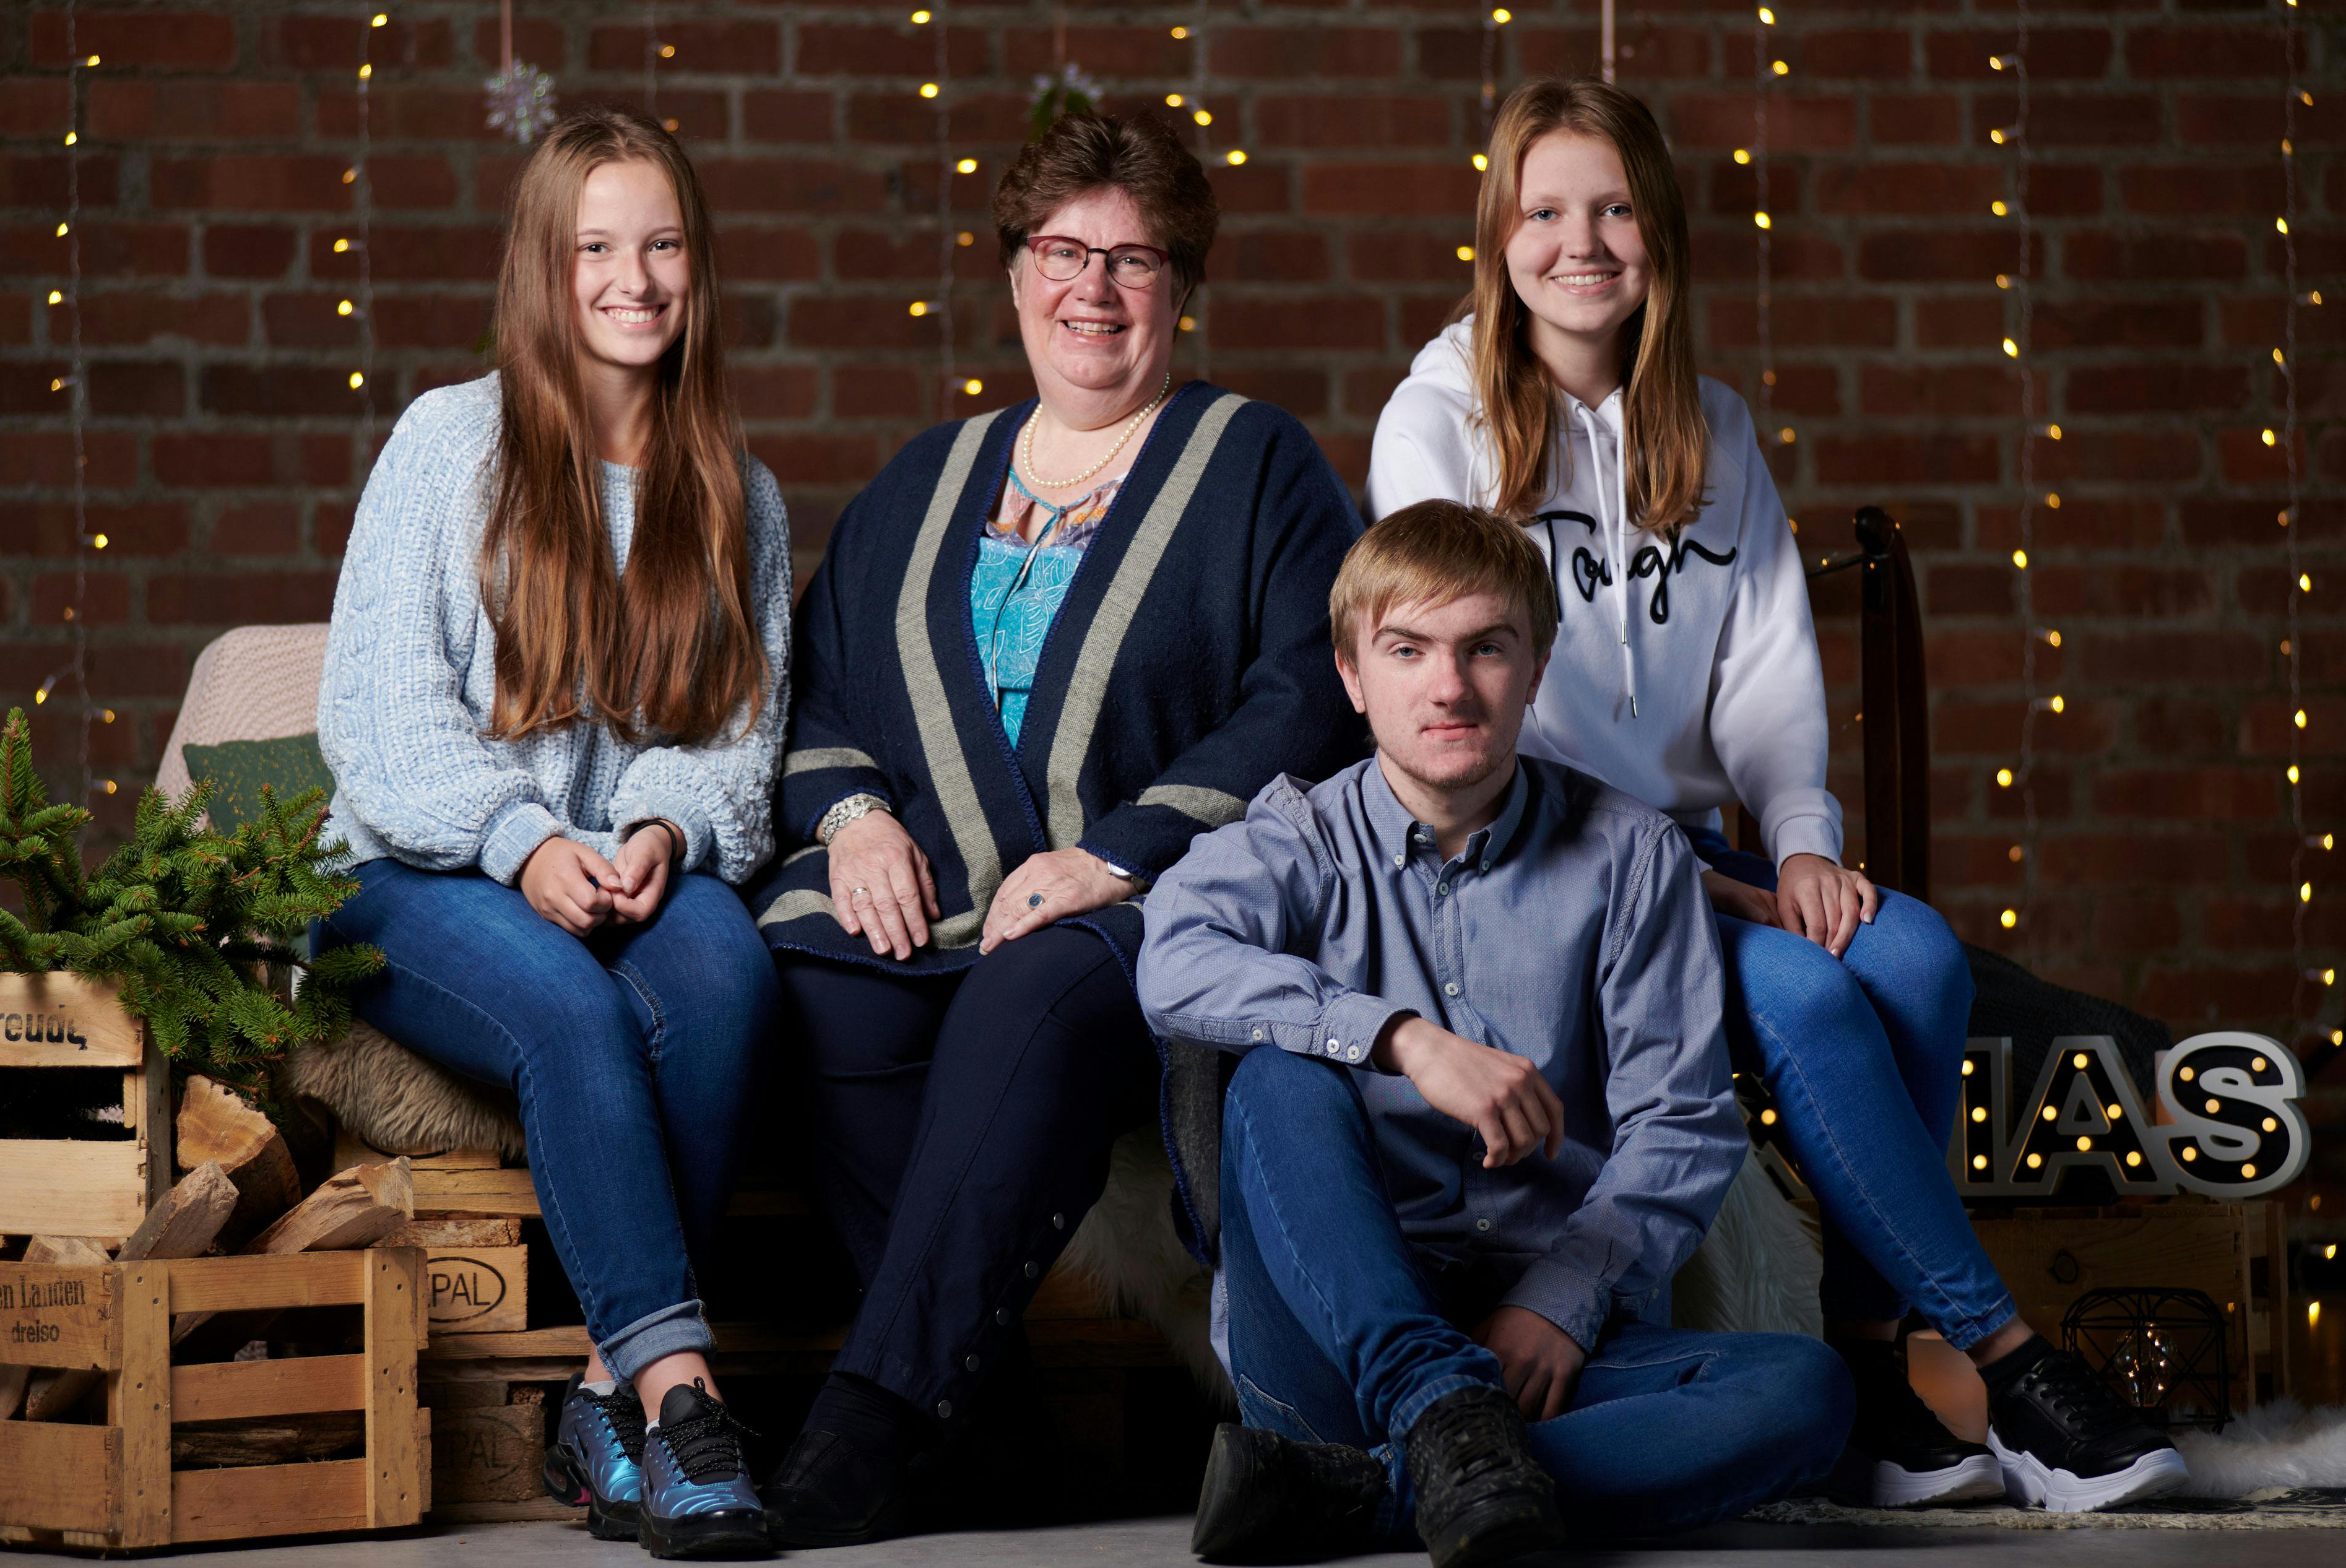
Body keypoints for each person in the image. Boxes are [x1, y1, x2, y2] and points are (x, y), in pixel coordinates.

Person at [1364, 77, 2186, 1514]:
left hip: (1699, 846)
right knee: (1805, 996)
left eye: (1615, 209)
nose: (1580, 243)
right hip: (1536, 857)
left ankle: (1869, 1380)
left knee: (1912, 956)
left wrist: (1797, 841)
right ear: (1496, 234)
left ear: (1661, 234)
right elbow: (1463, 713)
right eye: (1544, 211)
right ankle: (2012, 1370)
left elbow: (1762, 675)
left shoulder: (1712, 430)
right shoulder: (1436, 423)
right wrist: (1704, 884)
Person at [750, 111, 1367, 1547]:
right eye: (1063, 250)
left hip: (1154, 901)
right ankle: (994, 1435)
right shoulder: (926, 479)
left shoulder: (1257, 463)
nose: (1094, 287)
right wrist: (852, 819)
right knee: (821, 984)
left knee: (1032, 983)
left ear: (1181, 284)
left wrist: (1115, 852)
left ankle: (872, 1421)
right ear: (1015, 271)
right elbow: (818, 685)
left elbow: (1308, 694)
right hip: (938, 893)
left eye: (1134, 259)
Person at [1138, 502, 1853, 1568]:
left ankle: (1364, 1493)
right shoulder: (1298, 834)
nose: (1449, 686)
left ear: (1536, 667)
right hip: (1336, 1346)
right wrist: (1402, 1039)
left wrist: (1559, 1305)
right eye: (1407, 650)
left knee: (1808, 1389)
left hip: (1547, 1347)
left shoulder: (1633, 856)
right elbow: (1172, 954)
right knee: (1281, 1079)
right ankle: (1434, 1408)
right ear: (1351, 675)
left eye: (1485, 648)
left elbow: (1682, 1122)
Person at [313, 107, 787, 1561]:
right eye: (596, 248)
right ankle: (686, 1397)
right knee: (576, 1013)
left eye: (662, 245)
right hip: (408, 872)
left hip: (619, 866)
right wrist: (519, 839)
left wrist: (664, 828)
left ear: (698, 265)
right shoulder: (447, 444)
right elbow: (382, 717)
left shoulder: (739, 493)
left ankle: (597, 1396)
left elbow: (742, 741)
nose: (632, 281)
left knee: (725, 976)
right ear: (544, 265)